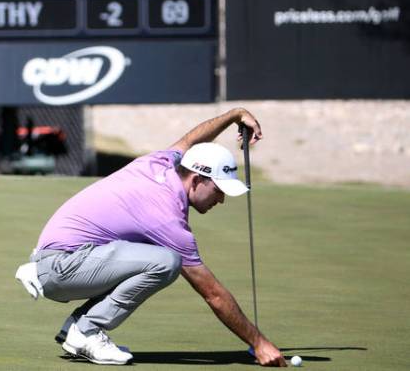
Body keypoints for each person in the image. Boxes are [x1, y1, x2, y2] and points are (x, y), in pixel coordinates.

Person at [14, 108, 287, 367]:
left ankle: (79, 327)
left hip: (66, 260)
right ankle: (86, 331)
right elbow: (213, 294)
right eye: (218, 190)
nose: (222, 199)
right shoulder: (166, 216)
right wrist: (259, 343)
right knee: (167, 261)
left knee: (156, 256)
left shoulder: (162, 163)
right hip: (61, 267)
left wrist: (234, 115)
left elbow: (192, 139)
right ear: (196, 180)